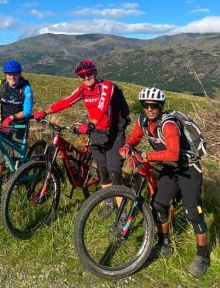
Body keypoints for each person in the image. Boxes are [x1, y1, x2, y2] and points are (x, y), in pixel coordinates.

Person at [119, 87, 210, 278]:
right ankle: (164, 244)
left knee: (193, 213)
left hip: (188, 168)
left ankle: (203, 256)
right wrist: (128, 146)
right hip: (170, 168)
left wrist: (145, 156)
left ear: (161, 106)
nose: (150, 109)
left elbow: (173, 153)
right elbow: (135, 137)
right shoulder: (143, 121)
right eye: (146, 105)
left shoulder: (168, 125)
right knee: (159, 204)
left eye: (154, 105)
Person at [33, 59, 130, 217]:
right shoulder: (83, 89)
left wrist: (91, 124)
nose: (86, 78)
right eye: (82, 76)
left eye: (88, 74)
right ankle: (109, 204)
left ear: (95, 72)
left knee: (114, 171)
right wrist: (45, 112)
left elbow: (102, 106)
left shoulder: (106, 86)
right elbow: (67, 101)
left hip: (114, 132)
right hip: (97, 133)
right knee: (102, 170)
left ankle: (123, 213)